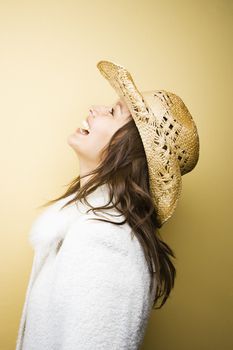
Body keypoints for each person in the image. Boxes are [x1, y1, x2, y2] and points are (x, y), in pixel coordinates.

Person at [15, 60, 200, 350]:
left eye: (114, 112)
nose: (95, 109)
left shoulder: (107, 242)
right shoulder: (89, 226)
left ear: (129, 150)